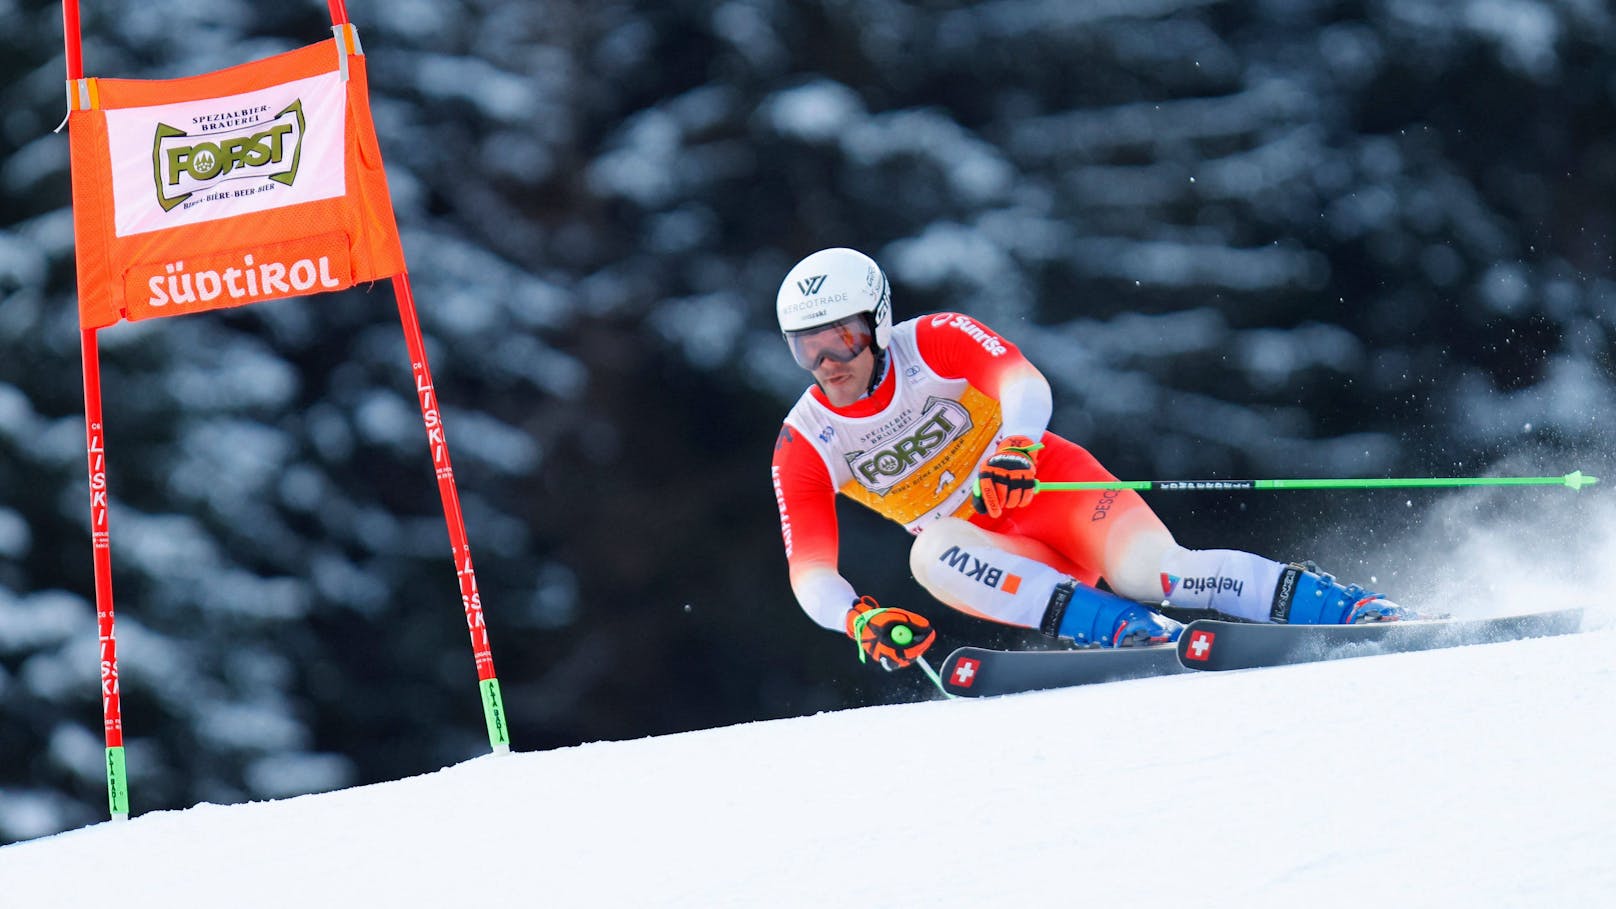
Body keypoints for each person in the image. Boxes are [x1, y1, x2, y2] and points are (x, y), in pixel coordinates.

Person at [769, 247, 1406, 671]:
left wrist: (1015, 449)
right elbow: (810, 574)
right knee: (931, 553)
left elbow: (1024, 384)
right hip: (989, 554)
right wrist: (857, 619)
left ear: (877, 325)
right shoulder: (806, 442)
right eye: (808, 351)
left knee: (1158, 573)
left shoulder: (932, 340)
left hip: (1051, 489)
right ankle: (1130, 632)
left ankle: (1349, 610)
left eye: (843, 339)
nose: (830, 365)